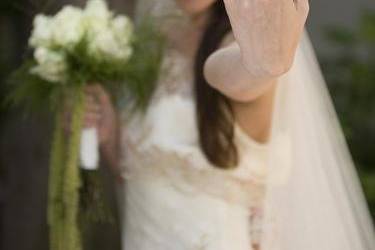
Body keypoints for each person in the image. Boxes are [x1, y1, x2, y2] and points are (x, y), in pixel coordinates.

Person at [71, 0, 375, 249]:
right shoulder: (156, 33)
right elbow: (148, 171)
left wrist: (260, 67)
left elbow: (237, 76)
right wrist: (111, 137)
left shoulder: (239, 41)